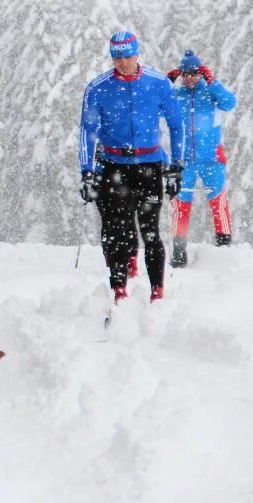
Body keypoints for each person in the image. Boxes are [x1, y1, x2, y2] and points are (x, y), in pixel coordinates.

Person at [79, 30, 184, 303]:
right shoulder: (98, 87)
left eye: (127, 55)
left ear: (137, 53)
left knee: (150, 230)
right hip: (114, 166)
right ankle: (119, 289)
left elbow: (176, 124)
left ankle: (157, 291)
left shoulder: (158, 83)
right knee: (118, 228)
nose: (122, 62)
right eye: (116, 57)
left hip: (149, 164)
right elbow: (87, 130)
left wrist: (176, 166)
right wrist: (86, 171)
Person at [166, 49, 237, 266]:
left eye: (194, 74)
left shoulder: (211, 93)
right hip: (184, 161)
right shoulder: (176, 95)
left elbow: (230, 102)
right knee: (181, 203)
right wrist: (165, 83)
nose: (189, 78)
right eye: (185, 74)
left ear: (201, 73)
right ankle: (178, 250)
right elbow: (155, 108)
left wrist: (213, 82)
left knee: (218, 200)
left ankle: (224, 245)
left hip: (211, 160)